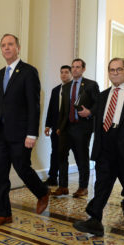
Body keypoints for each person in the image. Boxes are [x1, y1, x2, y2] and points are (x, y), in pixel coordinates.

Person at [73, 58, 124, 236]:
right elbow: (98, 118)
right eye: (111, 70)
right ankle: (95, 220)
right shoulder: (103, 96)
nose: (115, 73)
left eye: (118, 70)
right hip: (106, 144)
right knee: (102, 183)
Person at [0, 34, 50, 227]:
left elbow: (34, 105)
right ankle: (4, 213)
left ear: (18, 48)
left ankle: (42, 192)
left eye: (10, 44)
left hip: (21, 133)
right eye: (3, 45)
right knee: (0, 173)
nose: (6, 48)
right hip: (0, 133)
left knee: (22, 168)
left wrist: (32, 133)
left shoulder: (28, 72)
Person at [52, 58, 99, 197]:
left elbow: (98, 104)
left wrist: (90, 112)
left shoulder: (91, 85)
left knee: (81, 158)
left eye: (78, 67)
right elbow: (63, 109)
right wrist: (60, 126)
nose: (75, 69)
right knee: (61, 156)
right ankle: (63, 186)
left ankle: (83, 187)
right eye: (73, 67)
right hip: (67, 127)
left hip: (82, 127)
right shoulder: (66, 87)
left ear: (83, 69)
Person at [44, 65, 72, 186]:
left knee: (64, 154)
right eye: (62, 72)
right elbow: (51, 108)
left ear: (71, 74)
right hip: (56, 127)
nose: (64, 74)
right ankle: (52, 177)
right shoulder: (56, 90)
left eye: (66, 72)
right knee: (55, 152)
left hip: (70, 128)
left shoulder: (74, 89)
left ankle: (64, 182)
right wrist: (47, 125)